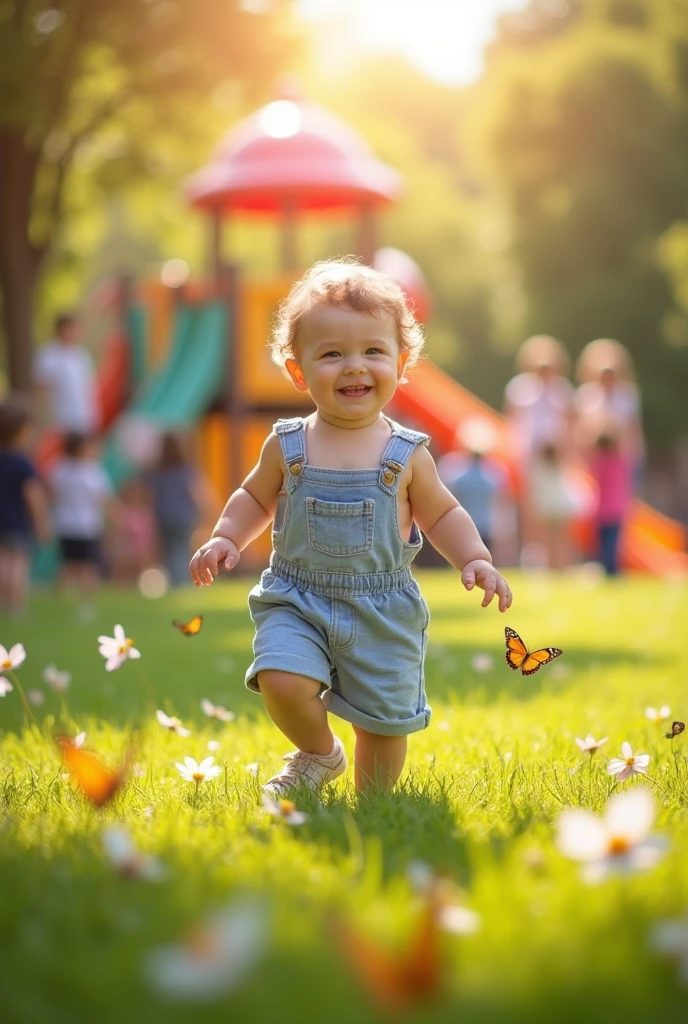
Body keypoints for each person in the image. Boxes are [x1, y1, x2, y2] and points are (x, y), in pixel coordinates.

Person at [189, 260, 512, 796]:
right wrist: (226, 535)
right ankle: (319, 754)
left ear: (401, 362)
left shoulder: (406, 453)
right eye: (332, 353)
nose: (354, 366)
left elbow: (443, 513)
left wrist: (475, 557)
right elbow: (253, 496)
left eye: (373, 351)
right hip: (298, 595)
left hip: (381, 606)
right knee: (282, 679)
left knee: (383, 724)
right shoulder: (287, 444)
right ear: (298, 371)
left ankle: (376, 807)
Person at [0, 398, 51, 615]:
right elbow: (33, 496)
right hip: (18, 522)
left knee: (2, 562)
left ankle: (3, 604)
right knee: (18, 564)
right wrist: (42, 524)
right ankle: (16, 607)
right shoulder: (23, 462)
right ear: (21, 432)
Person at [49, 432, 118, 594]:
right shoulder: (92, 471)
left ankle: (64, 597)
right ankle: (86, 600)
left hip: (66, 523)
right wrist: (116, 517)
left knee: (69, 563)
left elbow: (52, 494)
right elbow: (104, 498)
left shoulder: (59, 469)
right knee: (88, 565)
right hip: (86, 524)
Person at [146, 431, 216, 587]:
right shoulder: (186, 472)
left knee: (169, 551)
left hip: (163, 517)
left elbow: (151, 498)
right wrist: (208, 514)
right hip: (183, 518)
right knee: (180, 550)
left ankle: (174, 581)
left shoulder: (157, 473)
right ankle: (181, 582)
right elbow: (198, 495)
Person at [33, 312, 99, 435]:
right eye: (72, 328)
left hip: (85, 419)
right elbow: (41, 390)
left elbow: (89, 389)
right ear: (62, 329)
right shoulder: (48, 355)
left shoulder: (82, 355)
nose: (75, 332)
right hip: (61, 421)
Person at [587, 429, 633, 576]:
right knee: (613, 544)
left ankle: (608, 569)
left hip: (602, 511)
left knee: (603, 544)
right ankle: (612, 569)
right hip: (617, 510)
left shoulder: (599, 464)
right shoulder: (621, 462)